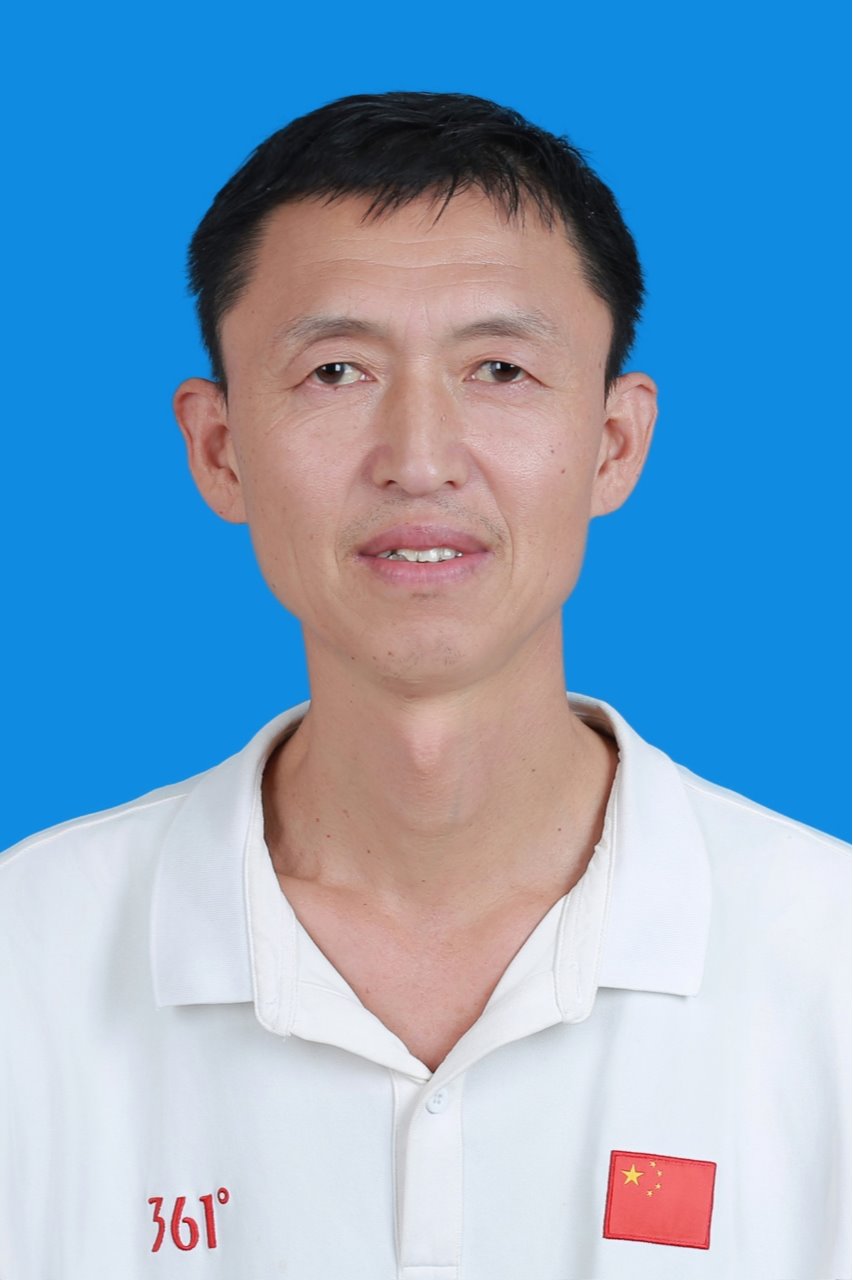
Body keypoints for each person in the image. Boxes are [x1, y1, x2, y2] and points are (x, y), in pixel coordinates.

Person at [0, 92, 848, 1280]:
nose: (419, 458)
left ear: (613, 443)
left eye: (498, 367)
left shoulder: (827, 965)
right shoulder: (27, 961)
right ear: (219, 448)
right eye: (335, 369)